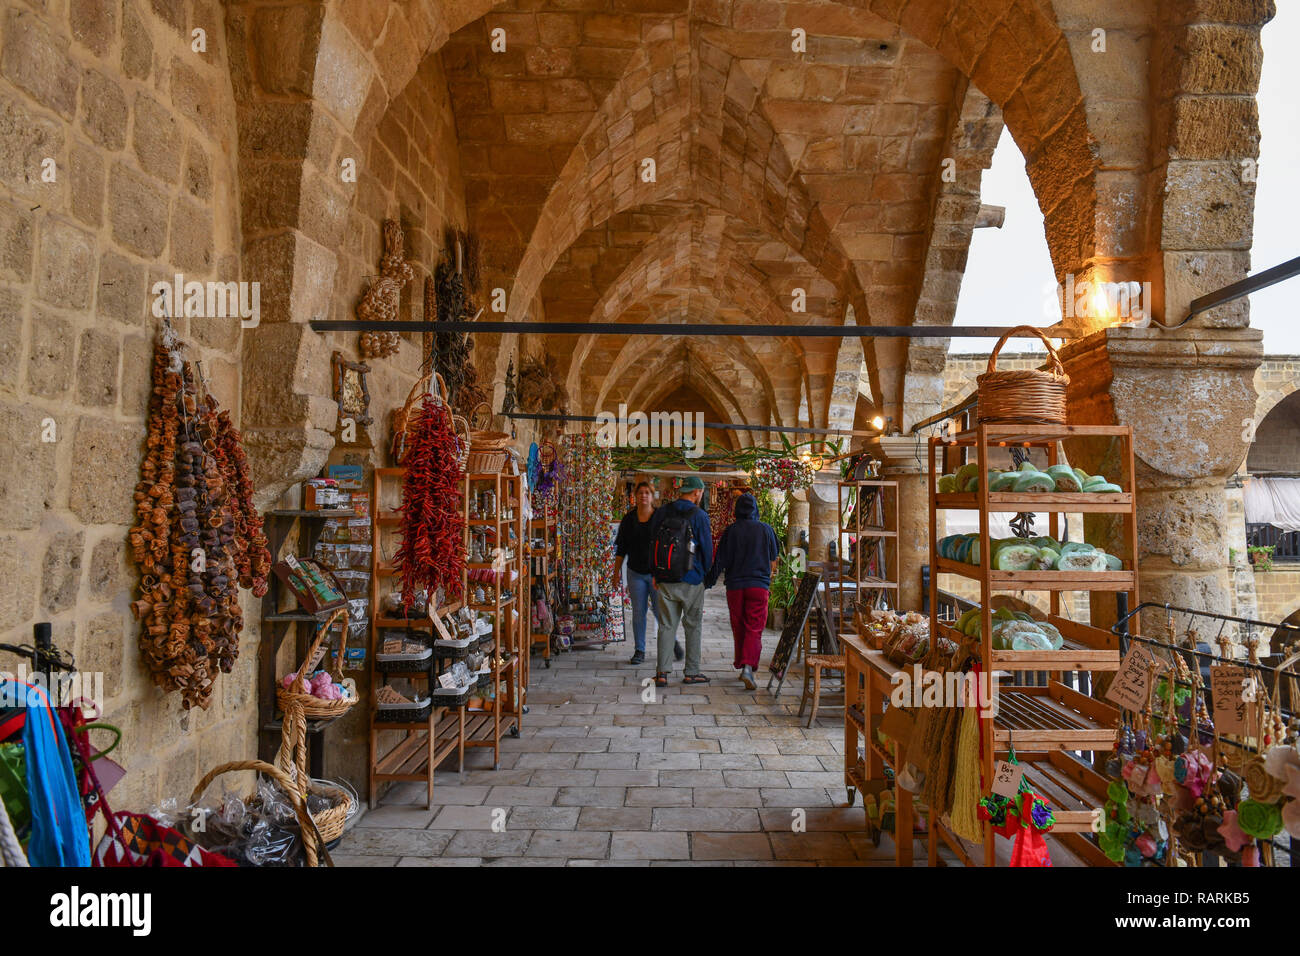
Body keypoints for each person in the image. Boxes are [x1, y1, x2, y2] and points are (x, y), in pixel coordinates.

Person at [705, 491, 780, 690]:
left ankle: (743, 663)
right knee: (754, 628)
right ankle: (747, 667)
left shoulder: (731, 531)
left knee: (739, 627)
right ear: (756, 509)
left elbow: (720, 560)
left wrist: (708, 582)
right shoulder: (766, 530)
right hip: (758, 586)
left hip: (735, 587)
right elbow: (774, 559)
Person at [648, 475, 712, 686]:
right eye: (701, 493)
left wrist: (655, 574)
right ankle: (691, 672)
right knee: (693, 626)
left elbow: (652, 544)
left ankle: (662, 673)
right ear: (696, 492)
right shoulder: (700, 516)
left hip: (665, 578)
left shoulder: (662, 512)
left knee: (666, 626)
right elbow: (707, 551)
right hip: (692, 578)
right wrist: (704, 575)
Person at [614, 481, 682, 665]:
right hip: (635, 573)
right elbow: (621, 548)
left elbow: (669, 545)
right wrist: (615, 574)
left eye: (647, 493)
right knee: (639, 612)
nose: (643, 495)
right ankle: (639, 650)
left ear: (652, 496)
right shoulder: (629, 519)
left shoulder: (660, 518)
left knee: (661, 612)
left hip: (657, 574)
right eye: (640, 492)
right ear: (635, 496)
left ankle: (672, 643)